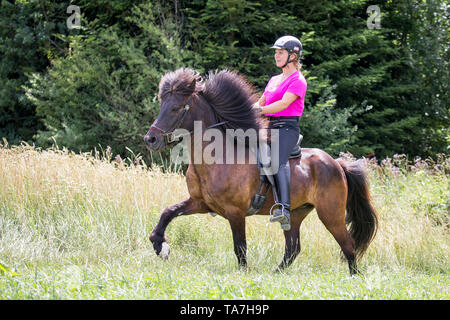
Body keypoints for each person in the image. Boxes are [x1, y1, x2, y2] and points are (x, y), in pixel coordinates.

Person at [254, 35, 307, 231]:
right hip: (268, 125)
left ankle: (284, 208)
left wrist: (259, 111)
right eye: (275, 52)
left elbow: (284, 103)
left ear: (293, 56)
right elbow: (261, 102)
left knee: (278, 161)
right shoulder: (274, 79)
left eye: (280, 52)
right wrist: (245, 110)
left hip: (287, 128)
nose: (276, 56)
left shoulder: (298, 80)